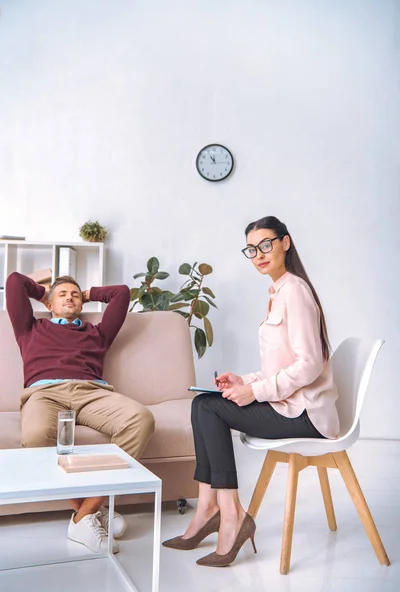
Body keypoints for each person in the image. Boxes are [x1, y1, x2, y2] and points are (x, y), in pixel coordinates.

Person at [163, 215, 339, 567]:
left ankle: (228, 514)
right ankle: (212, 508)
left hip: (306, 415)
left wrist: (256, 393)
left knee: (208, 409)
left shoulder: (296, 292)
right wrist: (245, 381)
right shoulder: (278, 292)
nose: (258, 254)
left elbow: (309, 365)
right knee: (204, 404)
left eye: (265, 245)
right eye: (251, 249)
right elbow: (282, 365)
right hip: (289, 404)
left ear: (285, 243)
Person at [6, 272, 155, 554]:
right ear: (49, 305)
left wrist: (85, 293)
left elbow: (122, 292)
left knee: (140, 419)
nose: (69, 297)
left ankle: (85, 514)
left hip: (91, 392)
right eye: (62, 295)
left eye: (75, 295)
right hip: (44, 393)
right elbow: (14, 281)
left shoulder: (97, 332)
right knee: (36, 436)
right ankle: (91, 513)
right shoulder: (30, 328)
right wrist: (44, 293)